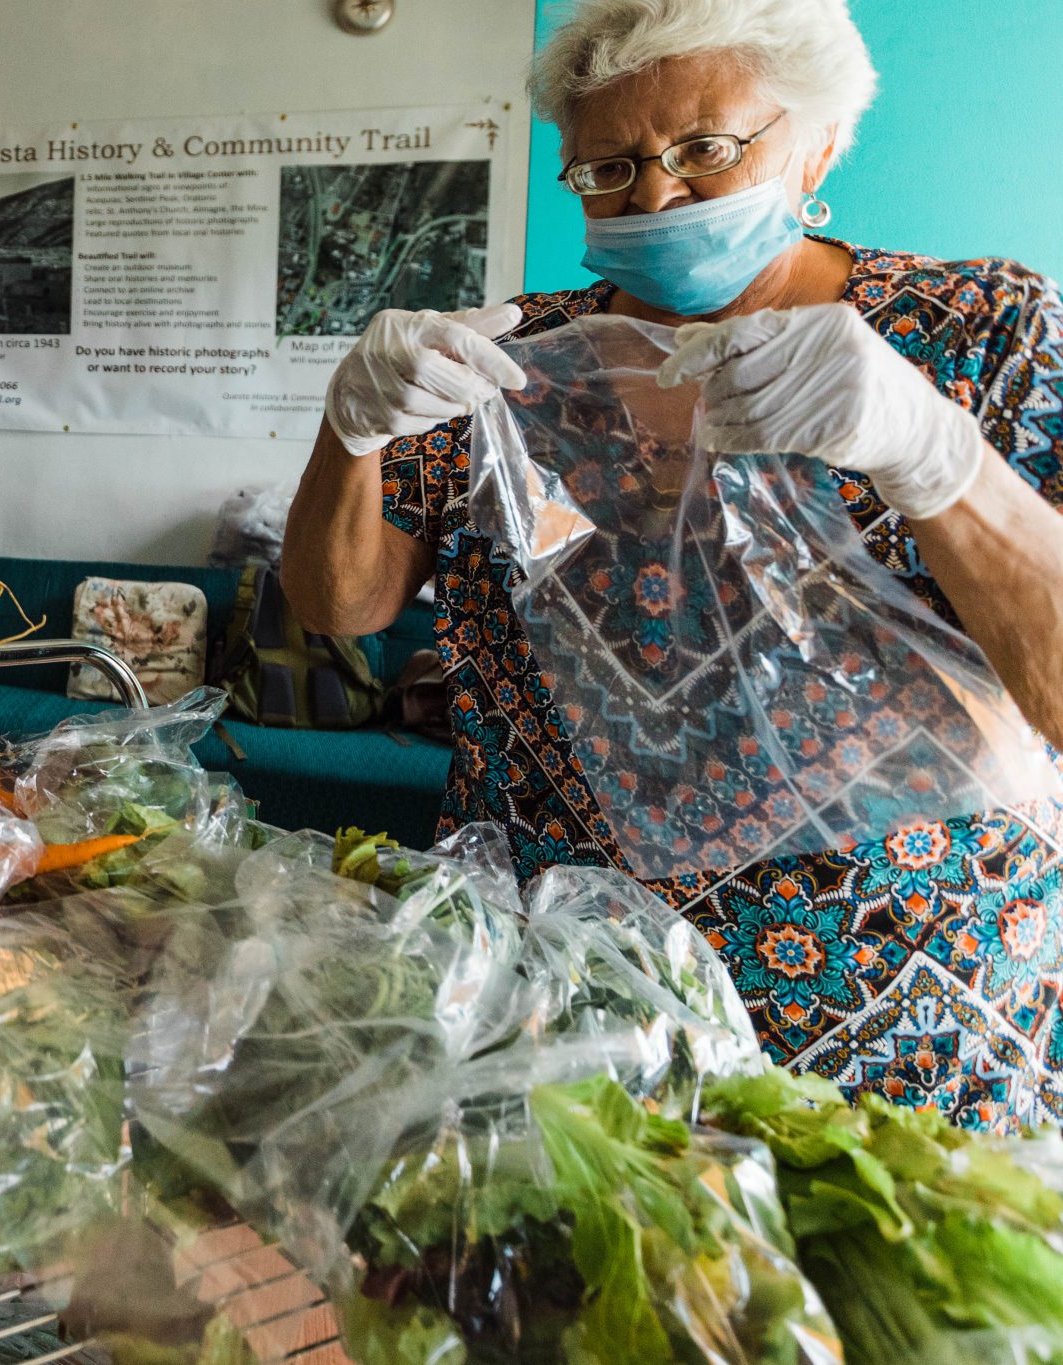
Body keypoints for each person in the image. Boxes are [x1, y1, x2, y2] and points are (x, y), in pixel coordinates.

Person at [284, 0, 1063, 1128]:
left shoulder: (979, 333)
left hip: (892, 1012)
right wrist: (349, 426)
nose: (651, 196)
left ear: (818, 140)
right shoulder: (511, 361)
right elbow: (338, 601)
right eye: (604, 168)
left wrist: (935, 456)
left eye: (703, 149)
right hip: (552, 989)